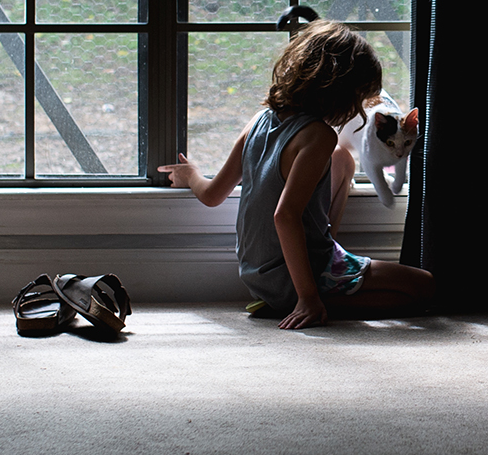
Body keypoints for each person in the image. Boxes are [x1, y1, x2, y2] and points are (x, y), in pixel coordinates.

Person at [159, 21, 435, 330]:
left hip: (257, 273)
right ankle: (313, 302)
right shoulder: (318, 135)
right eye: (358, 100)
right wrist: (307, 296)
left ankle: (301, 294)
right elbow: (285, 216)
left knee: (342, 162)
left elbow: (211, 195)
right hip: (295, 277)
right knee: (424, 287)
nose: (358, 111)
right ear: (340, 92)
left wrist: (191, 175)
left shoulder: (259, 121)